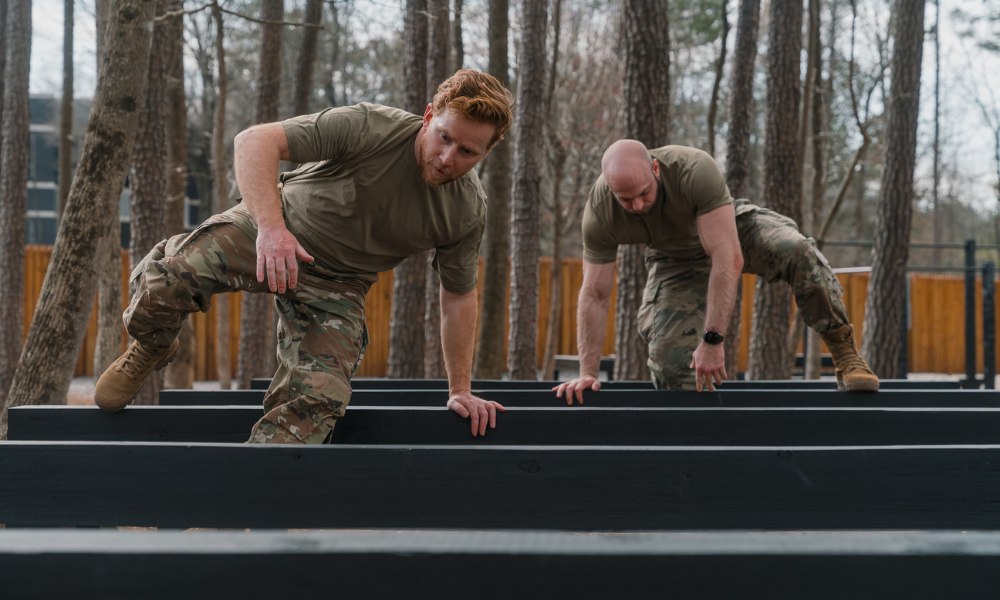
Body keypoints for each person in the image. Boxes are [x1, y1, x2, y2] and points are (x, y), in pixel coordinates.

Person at [95, 69, 514, 443]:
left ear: (486, 153)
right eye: (444, 137)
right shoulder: (372, 127)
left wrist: (460, 389)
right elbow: (255, 140)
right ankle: (152, 343)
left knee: (316, 404)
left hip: (338, 284)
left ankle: (238, 506)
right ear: (428, 117)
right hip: (276, 225)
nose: (447, 158)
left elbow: (459, 297)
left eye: (467, 152)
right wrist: (271, 230)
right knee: (169, 280)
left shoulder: (466, 211)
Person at [554, 140, 879, 402]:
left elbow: (727, 258)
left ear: (655, 169)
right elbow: (594, 294)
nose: (637, 206)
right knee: (671, 366)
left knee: (797, 251)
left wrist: (712, 340)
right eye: (626, 200)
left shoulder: (694, 169)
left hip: (729, 231)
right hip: (675, 260)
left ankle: (845, 354)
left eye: (643, 193)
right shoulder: (600, 212)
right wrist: (588, 372)